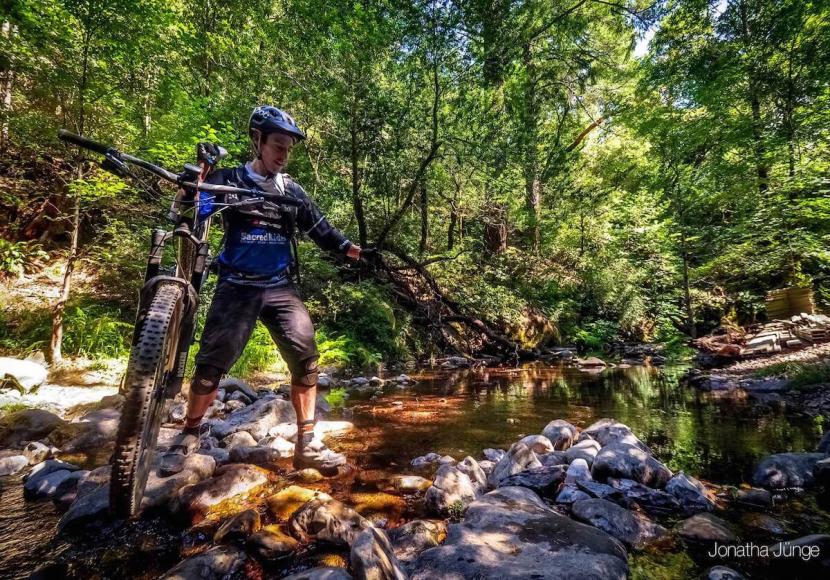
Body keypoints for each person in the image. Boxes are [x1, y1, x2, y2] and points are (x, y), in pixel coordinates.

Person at [160, 105, 360, 476]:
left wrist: (352, 249)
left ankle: (307, 443)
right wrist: (198, 177)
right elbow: (191, 210)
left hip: (279, 286)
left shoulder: (292, 191)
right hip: (236, 284)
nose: (283, 155)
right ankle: (188, 434)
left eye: (288, 149)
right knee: (211, 363)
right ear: (258, 141)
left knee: (306, 357)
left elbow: (322, 229)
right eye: (277, 146)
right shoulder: (230, 179)